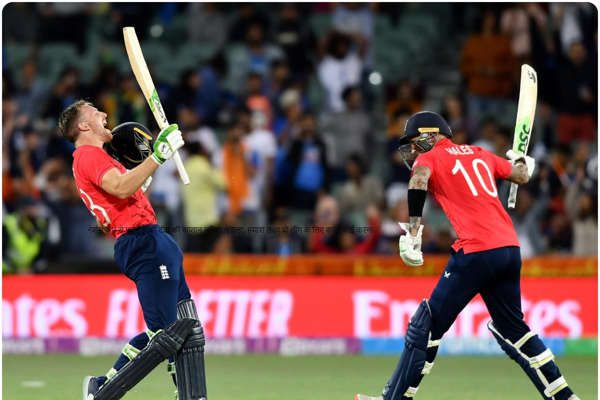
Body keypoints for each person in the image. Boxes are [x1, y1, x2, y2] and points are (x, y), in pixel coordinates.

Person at [355, 111, 579, 400]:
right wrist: (521, 161)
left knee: (425, 326)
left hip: (475, 250)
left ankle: (394, 399)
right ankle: (565, 397)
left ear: (430, 135)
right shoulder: (479, 153)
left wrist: (413, 231)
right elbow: (521, 175)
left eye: (415, 142)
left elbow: (419, 180)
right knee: (514, 331)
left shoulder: (431, 157)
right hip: (509, 250)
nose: (413, 151)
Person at [57, 100, 207, 400]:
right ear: (84, 126)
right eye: (95, 112)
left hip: (152, 238)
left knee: (188, 330)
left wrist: (144, 176)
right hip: (142, 243)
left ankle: (192, 396)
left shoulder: (94, 158)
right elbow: (120, 187)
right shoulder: (88, 155)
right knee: (165, 335)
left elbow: (116, 202)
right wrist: (158, 156)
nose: (104, 114)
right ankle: (102, 390)